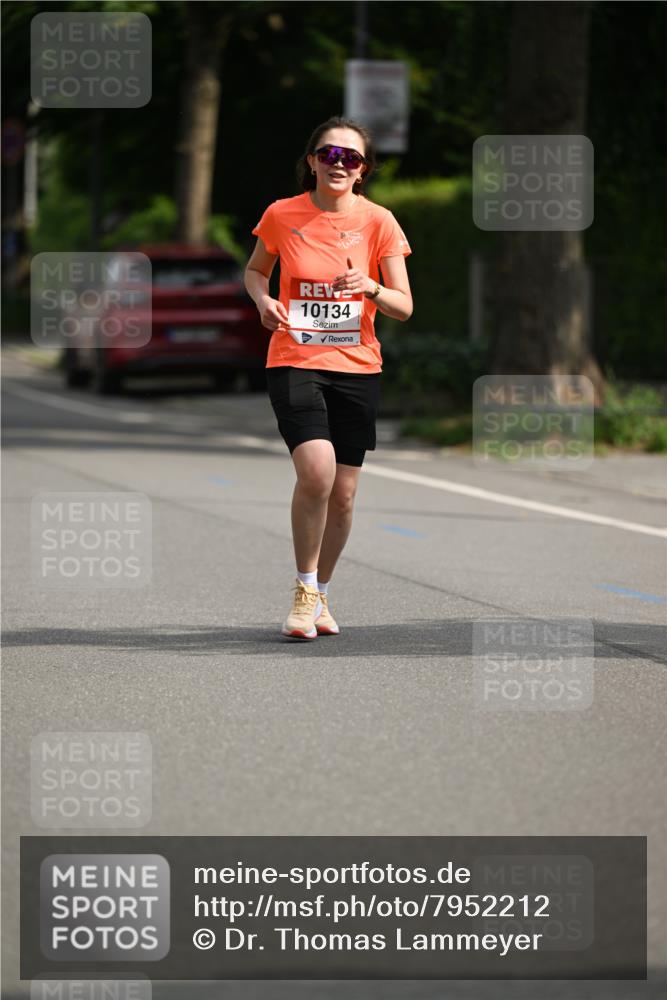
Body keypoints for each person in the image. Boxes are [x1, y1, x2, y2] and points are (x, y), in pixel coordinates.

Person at [244, 115, 413, 640]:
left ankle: (320, 591)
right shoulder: (282, 214)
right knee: (316, 472)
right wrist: (263, 300)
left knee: (343, 494)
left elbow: (404, 305)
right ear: (312, 162)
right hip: (294, 357)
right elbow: (255, 270)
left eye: (351, 157)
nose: (339, 164)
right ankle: (302, 590)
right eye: (329, 155)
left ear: (363, 170)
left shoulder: (380, 222)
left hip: (357, 367)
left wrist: (370, 287)